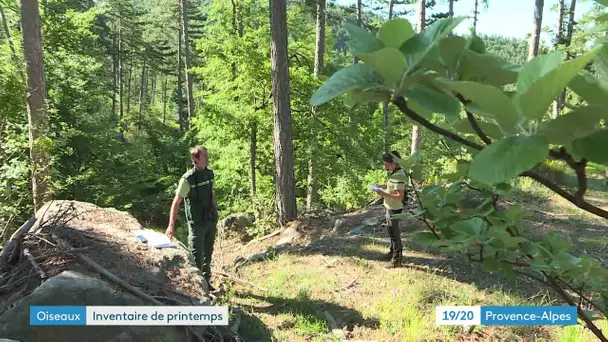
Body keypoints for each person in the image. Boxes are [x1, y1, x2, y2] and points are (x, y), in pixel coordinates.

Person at [166, 146, 219, 290]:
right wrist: (171, 225)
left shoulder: (209, 174)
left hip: (210, 220)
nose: (207, 159)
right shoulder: (187, 179)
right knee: (196, 258)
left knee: (208, 254)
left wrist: (216, 212)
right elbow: (176, 202)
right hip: (197, 223)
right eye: (204, 156)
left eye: (207, 156)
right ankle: (197, 288)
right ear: (195, 160)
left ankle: (207, 284)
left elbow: (212, 195)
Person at [374, 151, 407, 268]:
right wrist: (382, 186)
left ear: (393, 162)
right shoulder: (394, 173)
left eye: (386, 164)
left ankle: (396, 260)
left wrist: (384, 194)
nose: (384, 166)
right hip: (389, 206)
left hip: (394, 208)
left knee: (394, 234)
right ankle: (392, 253)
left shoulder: (399, 175)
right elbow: (391, 187)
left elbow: (400, 196)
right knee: (391, 231)